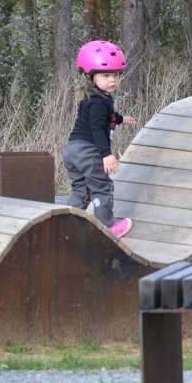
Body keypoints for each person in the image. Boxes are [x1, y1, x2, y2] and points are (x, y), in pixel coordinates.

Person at [64, 40, 137, 239]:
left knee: (82, 192)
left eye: (116, 75)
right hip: (89, 151)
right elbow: (97, 128)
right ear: (91, 76)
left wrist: (122, 119)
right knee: (103, 187)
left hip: (72, 150)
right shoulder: (98, 102)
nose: (112, 80)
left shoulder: (94, 97)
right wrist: (106, 155)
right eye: (106, 75)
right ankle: (108, 228)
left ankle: (65, 226)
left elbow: (106, 117)